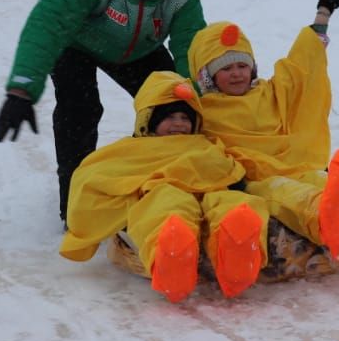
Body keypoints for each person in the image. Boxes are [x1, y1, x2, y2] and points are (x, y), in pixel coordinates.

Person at [0, 0, 205, 223]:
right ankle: (77, 203)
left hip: (139, 49)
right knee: (80, 110)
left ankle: (159, 183)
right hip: (76, 42)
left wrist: (198, 97)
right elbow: (47, 25)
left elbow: (191, 44)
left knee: (172, 103)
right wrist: (21, 91)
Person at [187, 0, 339, 261]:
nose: (236, 74)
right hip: (257, 179)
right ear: (208, 76)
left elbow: (302, 66)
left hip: (296, 166)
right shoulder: (200, 111)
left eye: (242, 66)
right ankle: (330, 224)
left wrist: (323, 15)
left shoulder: (270, 92)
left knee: (324, 182)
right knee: (291, 196)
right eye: (225, 69)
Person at [60, 72, 269, 301]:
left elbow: (225, 167)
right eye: (169, 117)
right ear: (150, 120)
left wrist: (236, 183)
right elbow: (94, 175)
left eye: (185, 117)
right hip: (161, 192)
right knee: (165, 205)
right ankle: (172, 253)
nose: (179, 123)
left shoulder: (204, 144)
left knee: (234, 203)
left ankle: (236, 250)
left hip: (211, 190)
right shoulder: (132, 150)